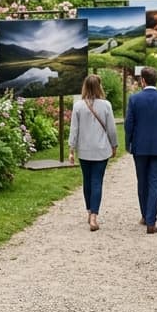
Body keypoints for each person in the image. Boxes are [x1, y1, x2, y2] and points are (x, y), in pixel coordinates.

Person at [124, 66, 157, 233]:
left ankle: (145, 215)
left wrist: (128, 143)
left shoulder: (134, 99)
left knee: (142, 182)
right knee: (155, 182)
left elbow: (129, 124)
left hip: (139, 146)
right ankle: (151, 221)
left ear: (143, 81)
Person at [68, 73, 119, 232]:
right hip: (101, 150)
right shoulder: (106, 105)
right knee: (97, 181)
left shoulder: (78, 106)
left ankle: (89, 211)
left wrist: (71, 149)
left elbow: (74, 129)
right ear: (99, 86)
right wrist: (114, 145)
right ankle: (94, 217)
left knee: (87, 181)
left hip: (84, 150)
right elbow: (111, 129)